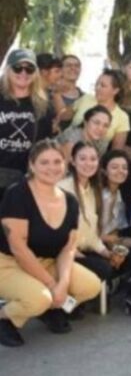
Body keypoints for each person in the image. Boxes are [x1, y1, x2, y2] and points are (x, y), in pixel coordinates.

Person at [0, 140, 101, 347]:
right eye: (44, 162)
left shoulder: (70, 201)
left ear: (65, 164)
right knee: (39, 298)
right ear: (32, 165)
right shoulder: (17, 194)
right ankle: (5, 317)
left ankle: (50, 309)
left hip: (47, 261)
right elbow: (19, 249)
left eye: (57, 162)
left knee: (91, 286)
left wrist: (62, 283)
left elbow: (68, 247)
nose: (52, 168)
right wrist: (52, 285)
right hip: (8, 263)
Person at [58, 141, 116, 286]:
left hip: (84, 248)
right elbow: (58, 232)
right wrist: (79, 255)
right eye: (82, 158)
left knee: (118, 261)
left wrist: (105, 252)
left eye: (93, 159)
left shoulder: (93, 190)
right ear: (73, 161)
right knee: (103, 268)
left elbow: (90, 233)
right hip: (64, 251)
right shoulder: (62, 188)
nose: (88, 163)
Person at [0, 49, 53, 201]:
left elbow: (43, 145)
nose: (23, 73)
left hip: (25, 180)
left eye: (29, 68)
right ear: (8, 69)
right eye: (18, 68)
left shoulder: (43, 105)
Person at [70, 70, 130, 150]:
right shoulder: (86, 98)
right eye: (97, 84)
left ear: (115, 91)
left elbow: (117, 149)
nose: (97, 88)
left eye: (103, 86)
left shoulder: (122, 117)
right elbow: (64, 115)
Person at [100, 150, 131, 251]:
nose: (121, 171)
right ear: (104, 171)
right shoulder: (98, 195)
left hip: (109, 243)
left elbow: (115, 230)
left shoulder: (120, 195)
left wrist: (114, 246)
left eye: (124, 167)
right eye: (114, 167)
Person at [53, 54, 84, 130]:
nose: (73, 68)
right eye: (68, 65)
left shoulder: (84, 96)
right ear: (60, 70)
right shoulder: (50, 93)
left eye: (77, 66)